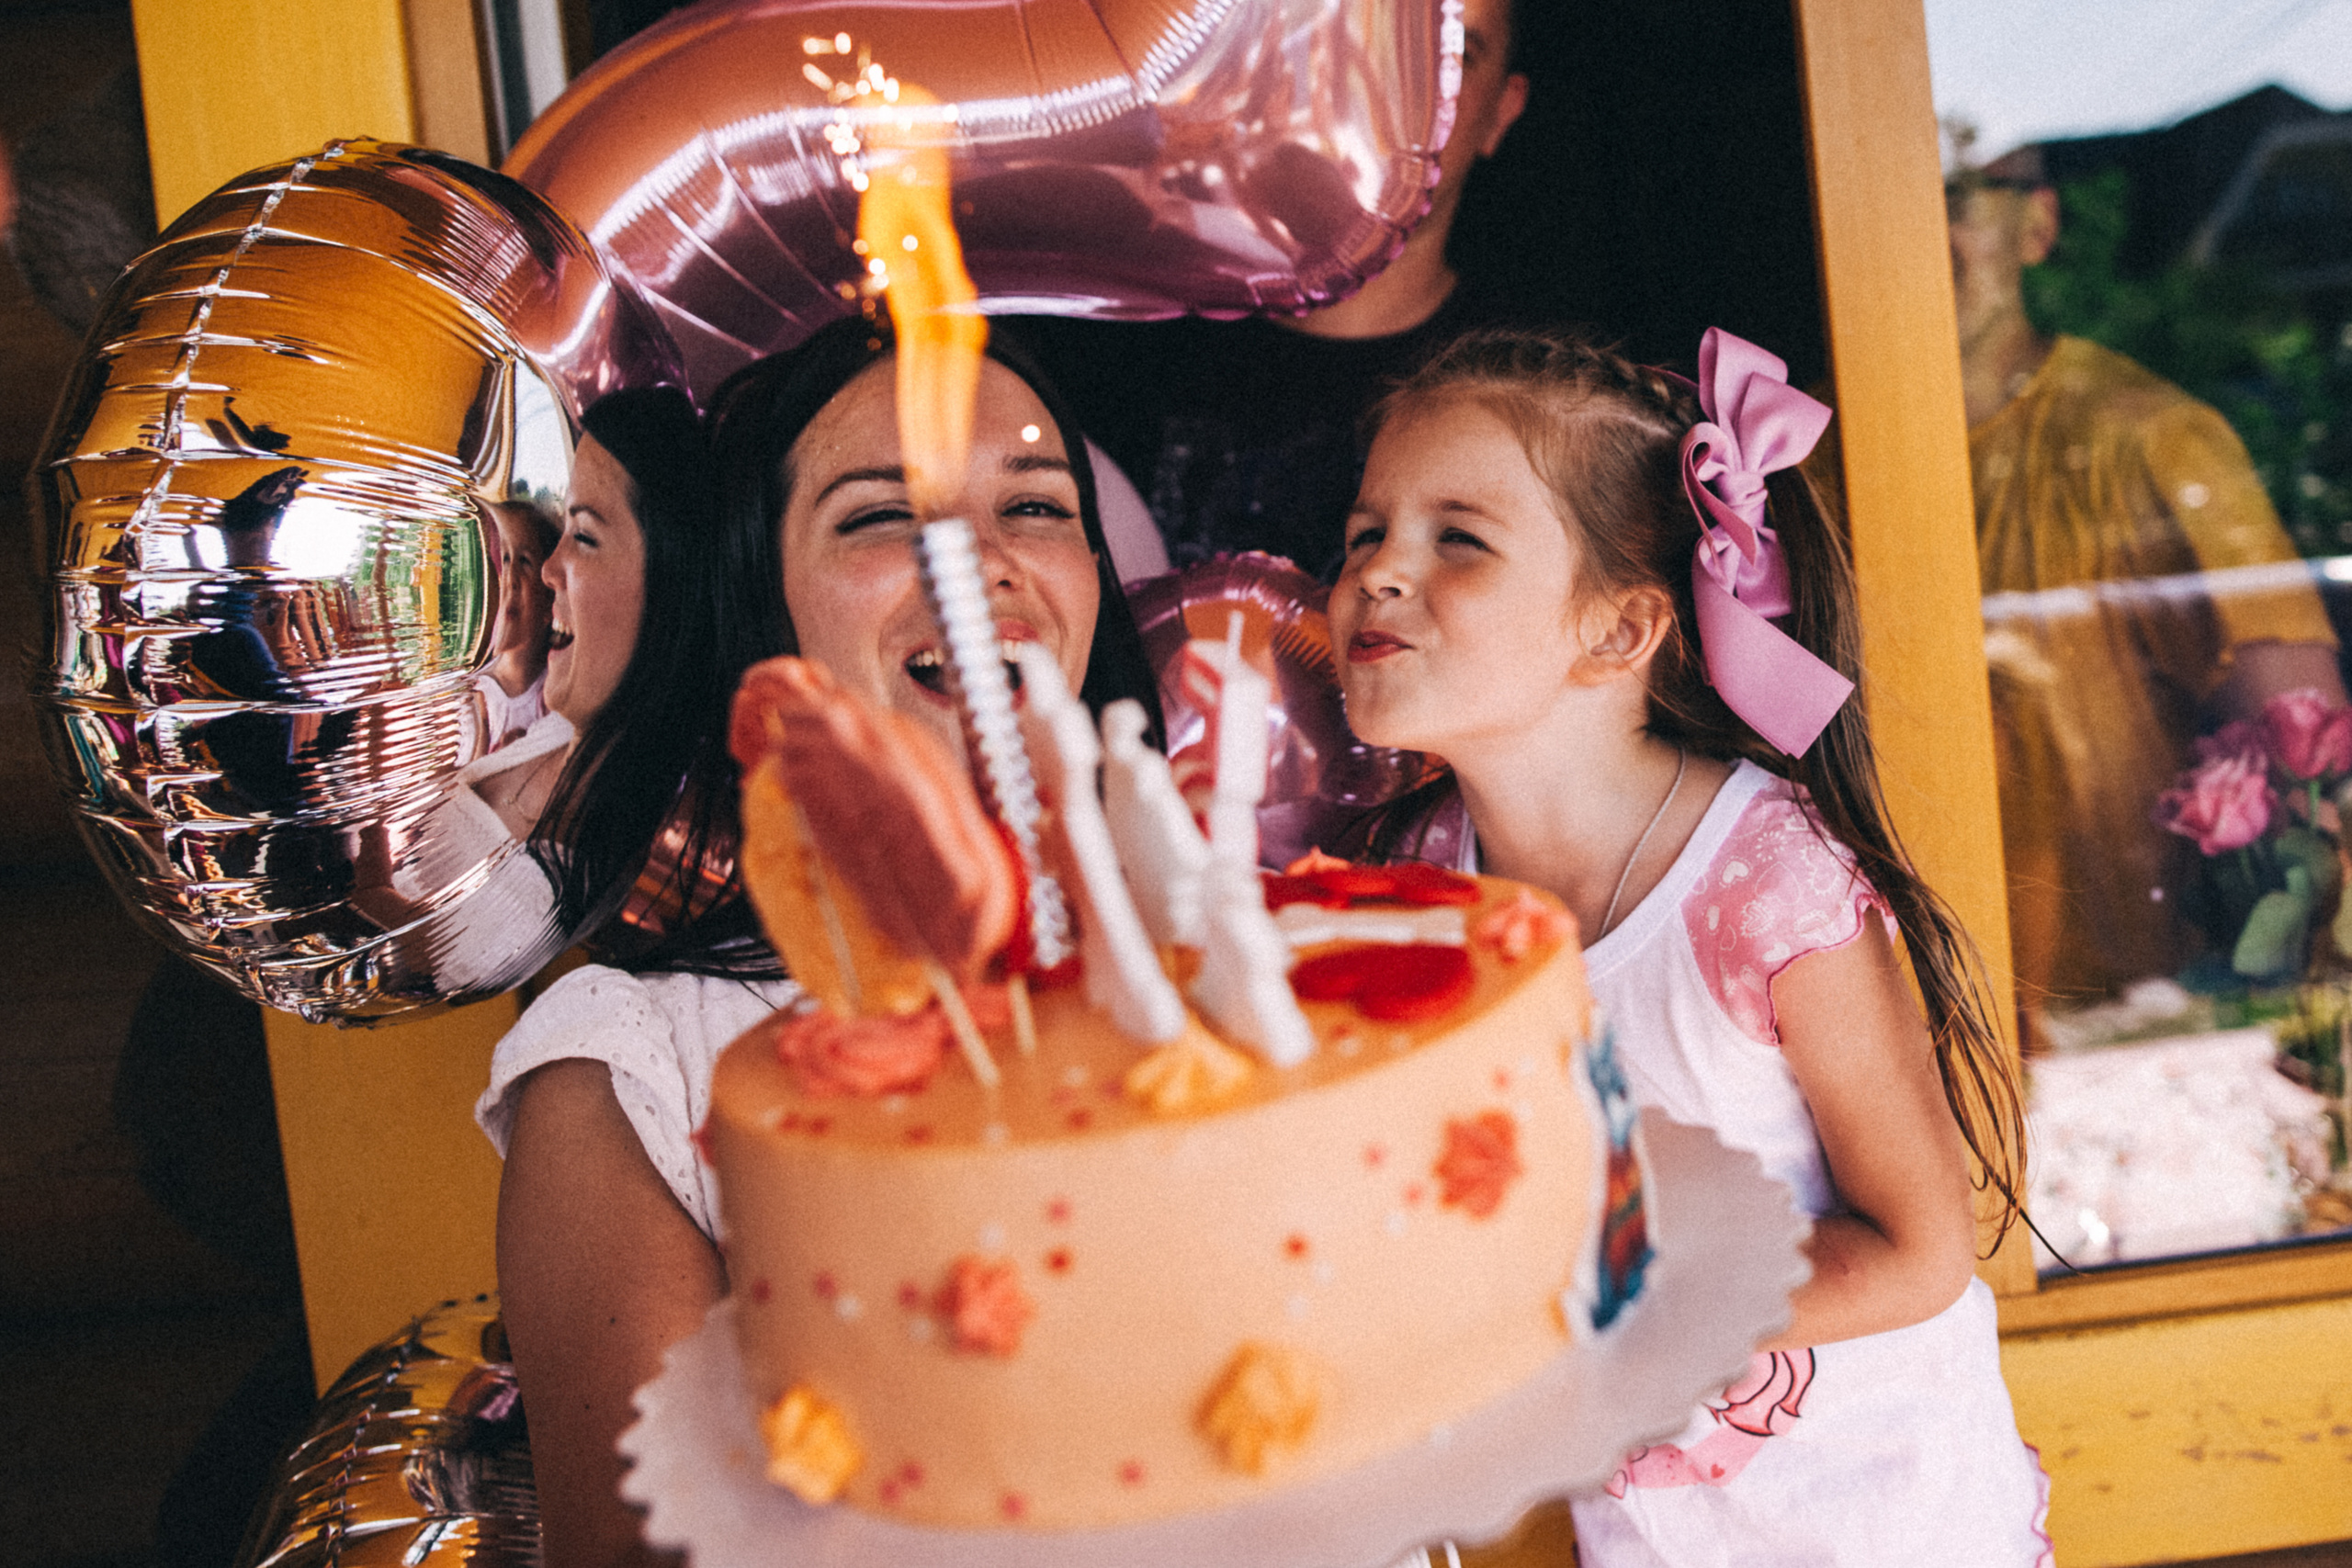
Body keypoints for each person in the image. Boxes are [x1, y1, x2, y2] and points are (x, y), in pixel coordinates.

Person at [1329, 325, 2047, 1565]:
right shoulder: (1423, 894)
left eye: (1459, 538)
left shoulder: (1762, 883)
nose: (1378, 574)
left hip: (1898, 1532)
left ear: (1617, 631)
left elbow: (1921, 1247)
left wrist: (1606, 1313)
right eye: (1363, 533)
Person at [478, 316, 1162, 1568]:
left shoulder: (1247, 970)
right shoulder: (634, 1070)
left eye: (1037, 504)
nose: (978, 564)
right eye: (877, 515)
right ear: (765, 602)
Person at [1949, 150, 2345, 1021]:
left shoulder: (2150, 438)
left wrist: (2265, 1005)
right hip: (1910, 1011)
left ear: (2038, 225)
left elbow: (2306, 751)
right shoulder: (1811, 457)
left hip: (2128, 1014)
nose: (1920, 234)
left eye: (1953, 197)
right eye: (1889, 201)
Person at [1018, 0, 1532, 579]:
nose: (1400, 87)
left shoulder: (1535, 402)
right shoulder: (1103, 333)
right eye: (1370, 37)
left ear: (1501, 113)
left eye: (1454, 54)